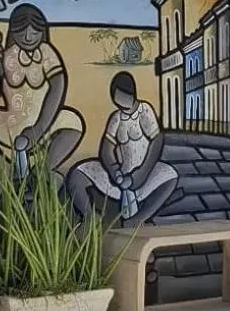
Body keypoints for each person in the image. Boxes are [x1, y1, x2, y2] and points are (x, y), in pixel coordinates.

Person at [0, 2, 83, 175]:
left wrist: (39, 128)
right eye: (22, 31)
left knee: (74, 123)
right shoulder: (8, 55)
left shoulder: (46, 52)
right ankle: (4, 168)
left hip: (45, 122)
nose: (28, 37)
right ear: (13, 31)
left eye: (34, 31)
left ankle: (42, 172)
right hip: (11, 123)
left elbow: (58, 86)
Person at [68, 72, 178, 224]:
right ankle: (90, 216)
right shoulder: (116, 117)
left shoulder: (144, 110)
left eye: (123, 96)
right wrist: (115, 171)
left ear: (132, 93)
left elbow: (157, 140)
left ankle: (138, 219)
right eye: (116, 97)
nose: (120, 101)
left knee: (170, 176)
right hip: (121, 174)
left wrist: (142, 173)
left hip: (145, 171)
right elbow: (107, 149)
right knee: (77, 175)